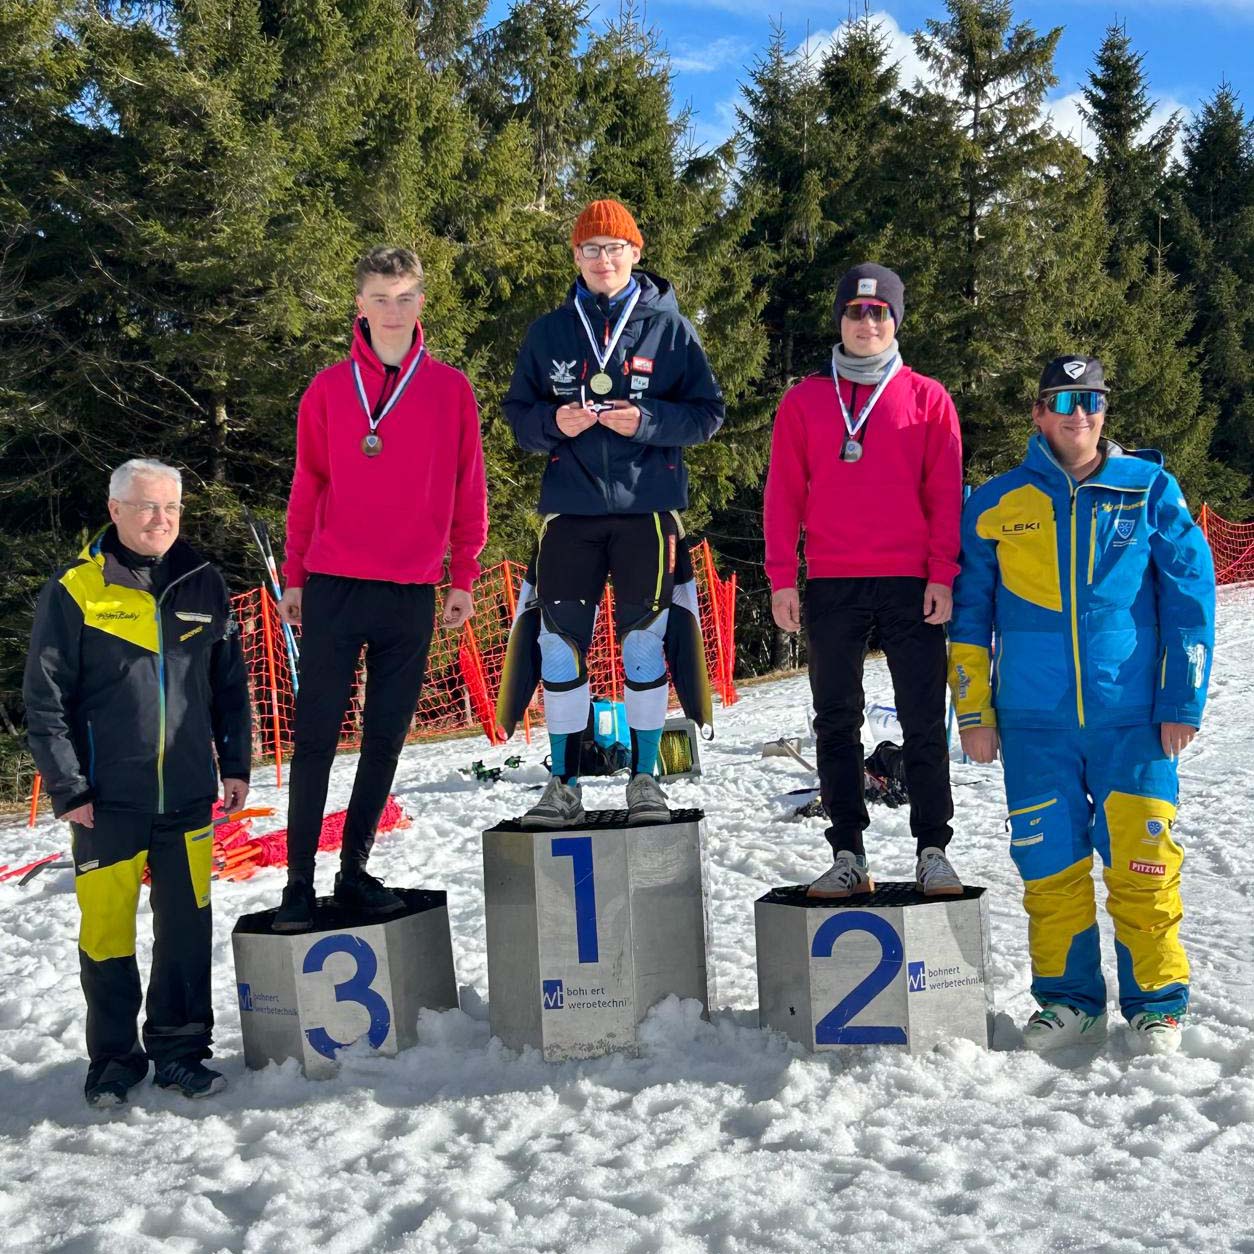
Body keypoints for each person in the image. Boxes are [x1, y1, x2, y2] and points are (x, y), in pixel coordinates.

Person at [949, 355, 1215, 1055]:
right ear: (1038, 412)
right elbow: (970, 618)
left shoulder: (1149, 488)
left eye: (1090, 399)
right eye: (1062, 399)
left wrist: (1182, 699)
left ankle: (1157, 1004)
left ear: (1104, 410)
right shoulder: (997, 502)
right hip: (1035, 726)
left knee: (1144, 868)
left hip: (1133, 722)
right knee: (1050, 870)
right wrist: (974, 713)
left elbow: (1192, 600)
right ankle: (1069, 1001)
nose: (1078, 412)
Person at [23, 459, 251, 1106]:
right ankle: (114, 1061)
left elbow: (230, 688)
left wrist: (235, 765)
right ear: (115, 508)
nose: (162, 520)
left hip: (187, 796)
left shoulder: (204, 583)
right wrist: (68, 788)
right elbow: (45, 700)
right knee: (107, 932)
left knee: (185, 930)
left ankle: (181, 1051)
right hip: (106, 801)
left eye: (172, 508)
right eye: (149, 507)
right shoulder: (75, 590)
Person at [273, 245, 488, 930]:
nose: (393, 311)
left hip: (411, 593)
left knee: (385, 739)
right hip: (334, 585)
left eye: (405, 298)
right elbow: (308, 485)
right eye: (380, 298)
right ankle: (299, 884)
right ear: (359, 306)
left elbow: (468, 488)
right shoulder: (329, 389)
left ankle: (354, 870)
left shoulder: (451, 389)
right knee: (313, 740)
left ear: (421, 303)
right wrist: (295, 574)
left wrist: (464, 574)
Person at [498, 198, 723, 828]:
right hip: (570, 513)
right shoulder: (549, 332)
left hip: (648, 512)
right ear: (576, 256)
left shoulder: (671, 329)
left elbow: (708, 413)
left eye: (614, 247)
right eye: (591, 248)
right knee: (559, 649)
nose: (603, 259)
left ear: (636, 253)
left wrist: (647, 422)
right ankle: (562, 783)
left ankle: (645, 779)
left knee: (643, 647)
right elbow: (518, 415)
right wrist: (552, 423)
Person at [764, 263, 963, 898]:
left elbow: (944, 496)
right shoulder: (804, 401)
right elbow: (783, 496)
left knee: (924, 719)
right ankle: (847, 851)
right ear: (840, 320)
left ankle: (933, 849)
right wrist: (781, 577)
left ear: (896, 321)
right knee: (835, 720)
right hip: (832, 580)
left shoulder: (928, 398)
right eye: (855, 312)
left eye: (880, 314)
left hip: (911, 581)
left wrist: (943, 573)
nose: (867, 323)